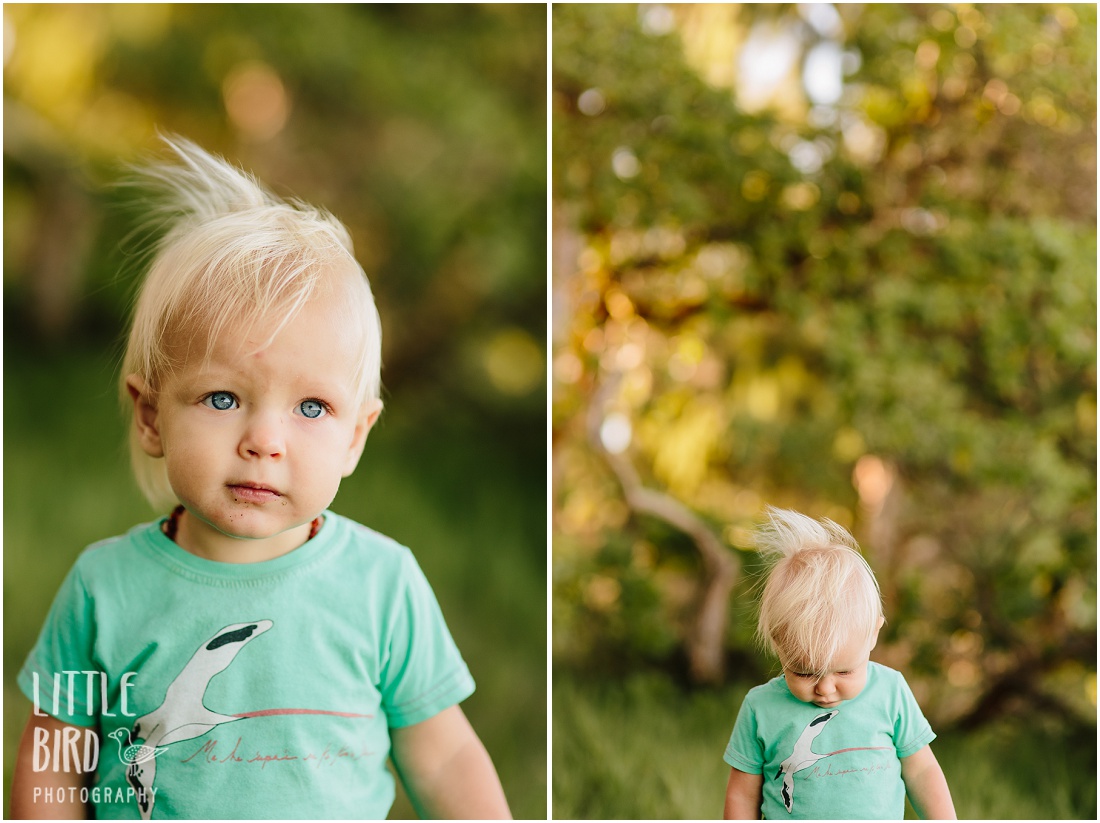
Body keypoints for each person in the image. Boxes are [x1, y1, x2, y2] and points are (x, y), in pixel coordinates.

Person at [10, 137, 512, 820]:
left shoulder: (382, 585)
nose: (264, 442)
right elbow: (56, 758)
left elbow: (445, 756)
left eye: (312, 407)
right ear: (151, 415)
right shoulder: (102, 589)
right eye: (222, 398)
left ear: (355, 437)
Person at [723, 507, 955, 820]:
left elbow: (922, 770)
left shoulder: (890, 691)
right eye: (804, 672)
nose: (825, 688)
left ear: (873, 634)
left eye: (844, 671)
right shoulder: (760, 708)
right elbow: (742, 793)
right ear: (779, 646)